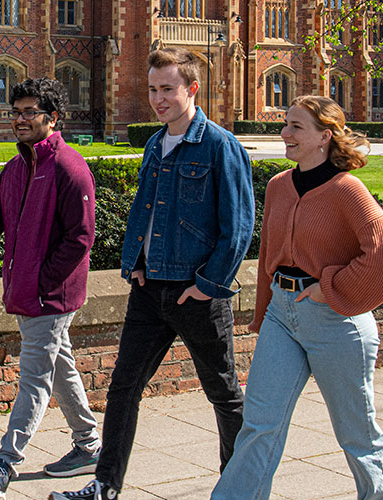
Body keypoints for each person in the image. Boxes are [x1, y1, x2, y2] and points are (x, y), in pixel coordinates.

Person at [51, 47, 254, 500]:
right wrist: (134, 264)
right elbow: (144, 212)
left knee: (222, 391)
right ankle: (105, 484)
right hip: (149, 288)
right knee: (123, 387)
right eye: (152, 90)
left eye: (167, 89)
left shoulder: (221, 145)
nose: (158, 99)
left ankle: (239, 485)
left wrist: (207, 286)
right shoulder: (155, 142)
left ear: (192, 89)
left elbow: (239, 225)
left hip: (195, 291)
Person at [209, 95, 383, 500]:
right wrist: (264, 313)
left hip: (336, 320)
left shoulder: (347, 190)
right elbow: (268, 256)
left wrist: (331, 287)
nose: (285, 133)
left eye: (296, 126)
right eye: (285, 124)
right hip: (283, 317)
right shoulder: (279, 186)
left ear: (324, 137)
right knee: (260, 424)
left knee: (356, 432)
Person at [0, 77, 102, 500]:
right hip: (28, 290)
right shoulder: (15, 169)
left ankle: (5, 464)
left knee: (34, 377)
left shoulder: (69, 167)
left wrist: (44, 281)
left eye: (30, 112)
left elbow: (81, 238)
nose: (20, 120)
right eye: (16, 112)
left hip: (52, 296)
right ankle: (89, 444)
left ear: (53, 118)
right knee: (58, 365)